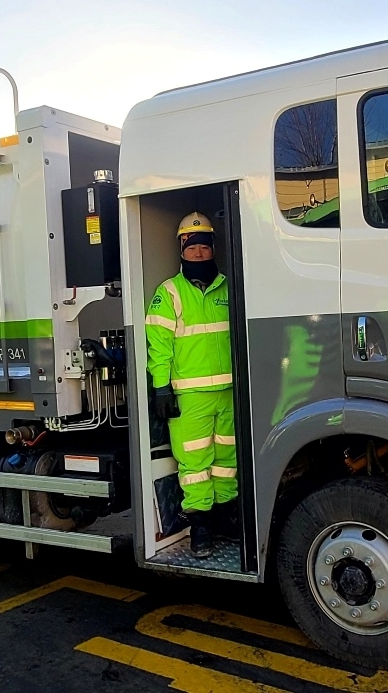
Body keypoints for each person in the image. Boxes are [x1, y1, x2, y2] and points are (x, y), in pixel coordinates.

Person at [145, 213, 238, 559]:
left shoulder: (230, 286)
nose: (199, 252)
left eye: (204, 246)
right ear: (181, 249)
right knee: (195, 465)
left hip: (230, 391)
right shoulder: (168, 293)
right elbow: (159, 346)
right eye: (192, 246)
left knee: (228, 459)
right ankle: (200, 528)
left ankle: (227, 517)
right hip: (191, 395)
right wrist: (161, 387)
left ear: (213, 248)